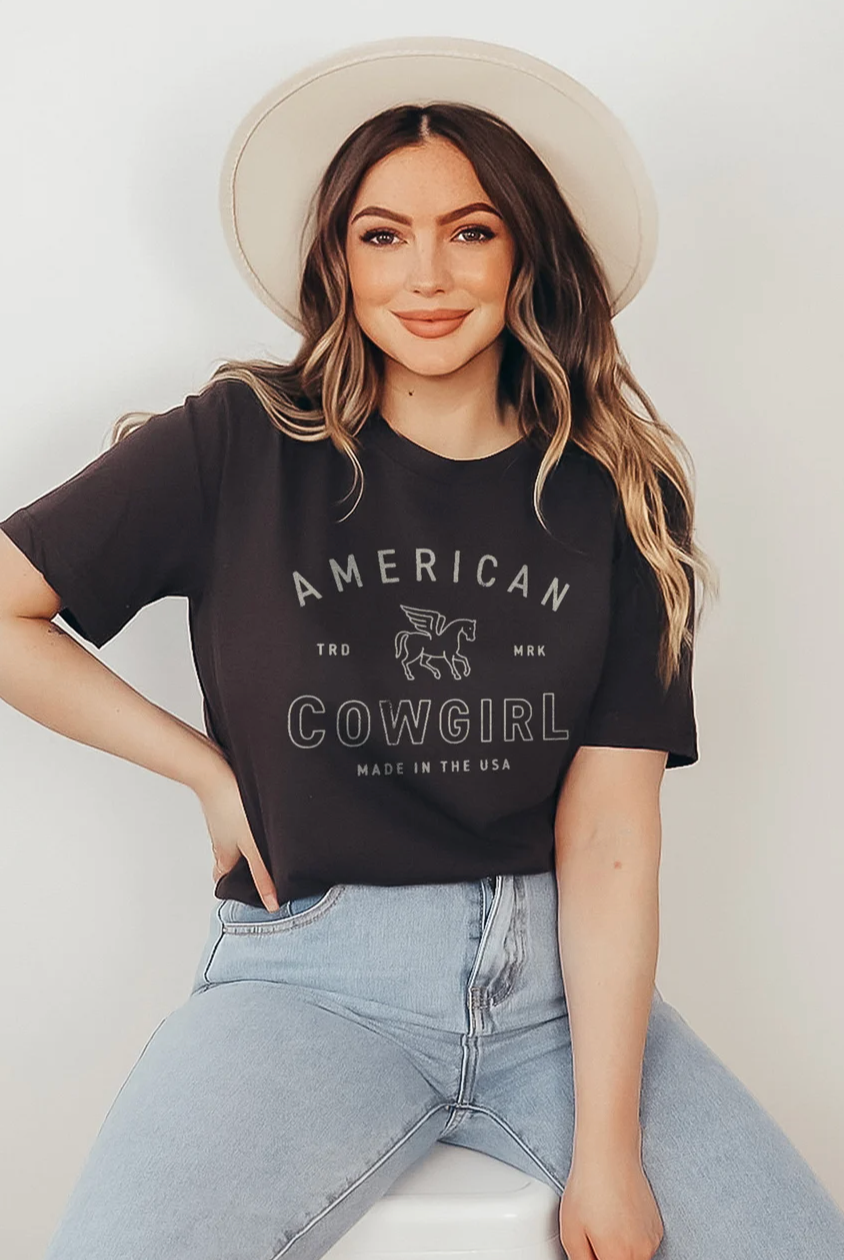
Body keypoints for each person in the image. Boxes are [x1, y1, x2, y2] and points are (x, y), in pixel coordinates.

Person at [0, 35, 842, 1260]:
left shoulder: (616, 496)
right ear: (338, 261)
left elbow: (608, 835)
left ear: (525, 254)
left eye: (472, 230)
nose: (427, 273)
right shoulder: (239, 442)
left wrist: (607, 1152)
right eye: (382, 235)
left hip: (563, 999)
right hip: (309, 982)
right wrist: (200, 766)